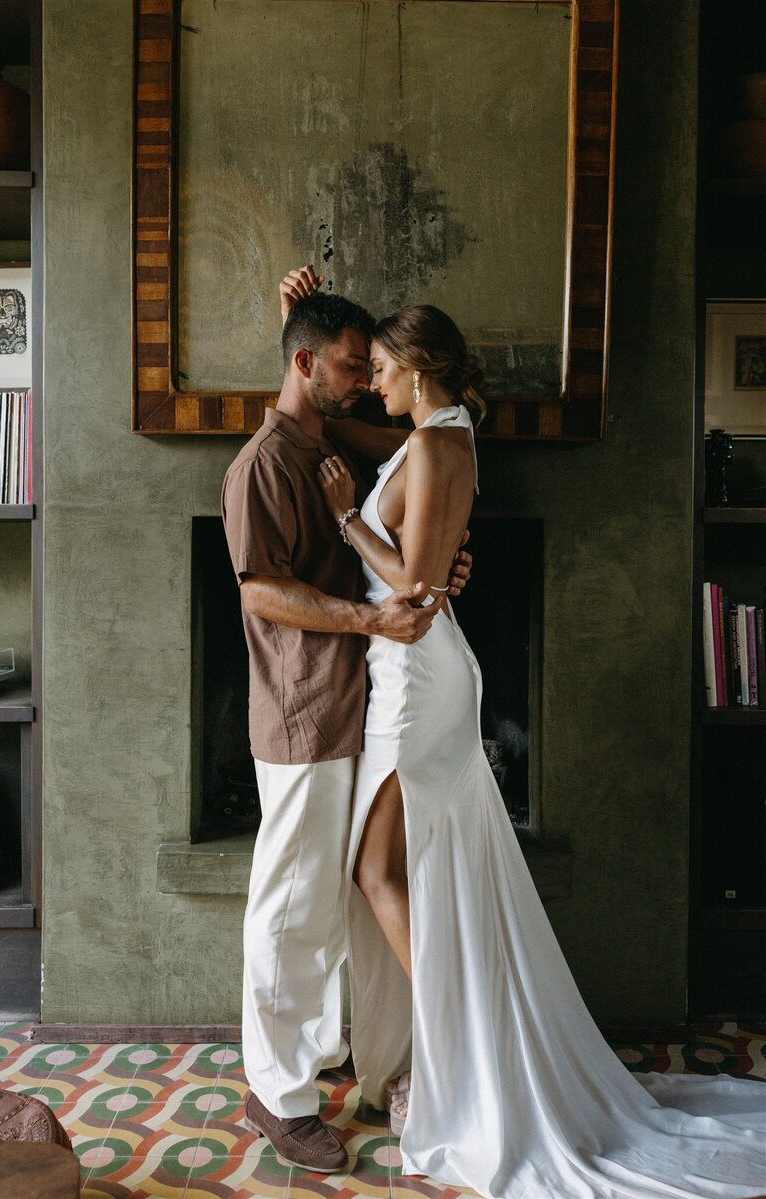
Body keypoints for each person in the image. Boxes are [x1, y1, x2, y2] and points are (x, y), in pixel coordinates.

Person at [310, 297, 766, 1198]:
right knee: (387, 867)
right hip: (403, 675)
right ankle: (459, 1041)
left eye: (384, 369)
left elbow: (423, 586)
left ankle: (462, 1050)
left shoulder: (443, 443)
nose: (374, 385)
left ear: (418, 365)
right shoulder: (431, 432)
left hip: (419, 678)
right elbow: (371, 451)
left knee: (376, 868)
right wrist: (307, 320)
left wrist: (344, 523)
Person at [220, 270, 471, 1174]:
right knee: (289, 909)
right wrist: (375, 618)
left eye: (373, 364)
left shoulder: (332, 444)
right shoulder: (259, 464)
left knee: (350, 900)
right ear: (303, 362)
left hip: (361, 702)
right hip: (300, 712)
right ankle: (279, 1096)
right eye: (351, 364)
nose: (366, 377)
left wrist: (437, 568)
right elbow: (260, 591)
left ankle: (376, 1067)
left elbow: (394, 537)